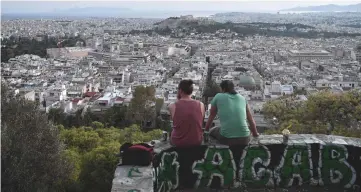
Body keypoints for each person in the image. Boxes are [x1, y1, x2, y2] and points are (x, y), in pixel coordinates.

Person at [205, 80, 259, 146]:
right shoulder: (242, 98)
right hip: (245, 138)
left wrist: (206, 130)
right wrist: (255, 134)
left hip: (227, 139)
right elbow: (250, 119)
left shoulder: (218, 96)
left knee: (213, 130)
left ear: (223, 89)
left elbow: (212, 115)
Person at [168, 80, 205, 147]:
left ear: (180, 90)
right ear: (191, 91)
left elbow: (175, 122)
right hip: (197, 141)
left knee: (171, 132)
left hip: (178, 142)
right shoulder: (201, 105)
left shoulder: (172, 106)